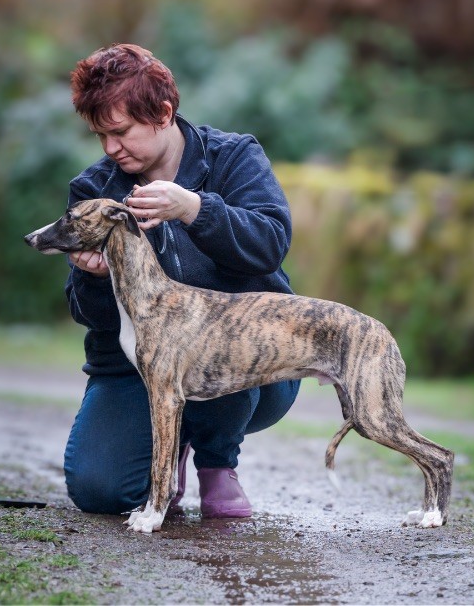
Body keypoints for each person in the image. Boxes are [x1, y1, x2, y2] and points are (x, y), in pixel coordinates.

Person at [63, 43, 300, 518]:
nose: (111, 148)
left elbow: (270, 243)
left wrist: (196, 209)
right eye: (100, 136)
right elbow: (83, 313)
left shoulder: (234, 157)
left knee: (219, 345)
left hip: (251, 360)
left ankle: (216, 465)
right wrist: (93, 278)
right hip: (135, 371)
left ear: (164, 113)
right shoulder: (94, 189)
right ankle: (171, 440)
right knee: (99, 490)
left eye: (120, 131)